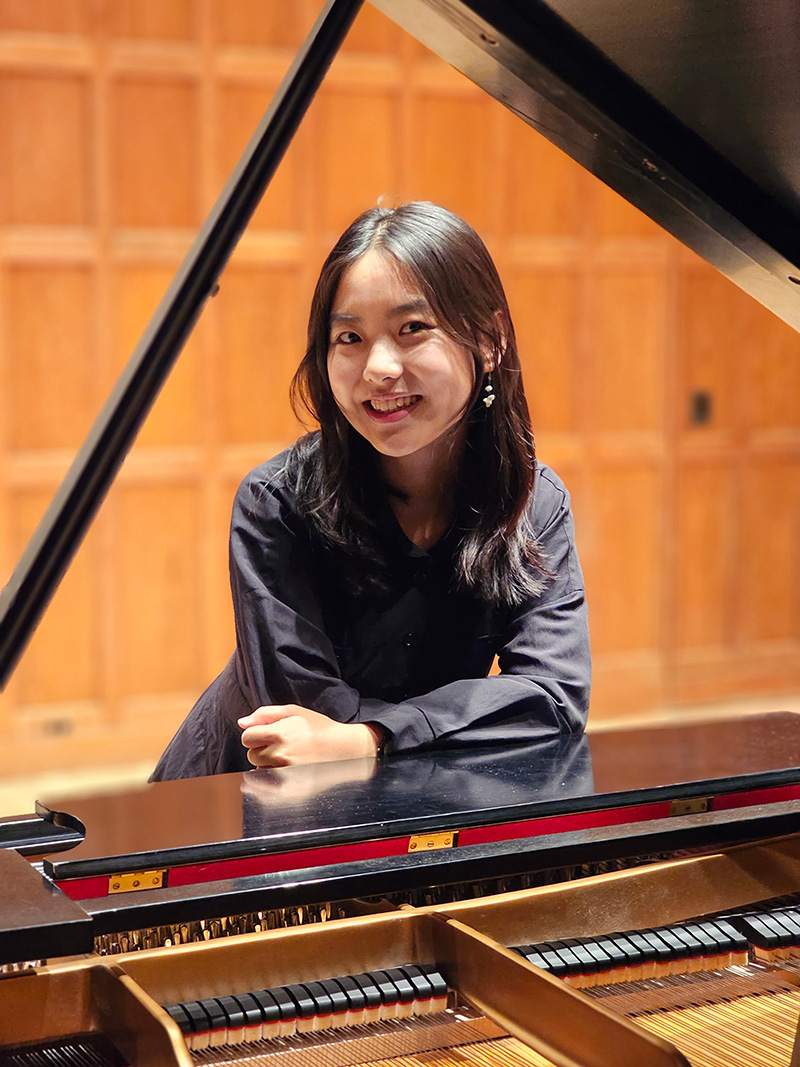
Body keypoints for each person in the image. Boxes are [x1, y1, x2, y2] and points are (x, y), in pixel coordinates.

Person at [152, 202, 590, 780]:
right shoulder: (277, 503)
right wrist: (453, 722)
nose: (379, 368)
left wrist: (372, 737)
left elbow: (553, 699)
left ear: (490, 339)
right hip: (233, 810)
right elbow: (300, 719)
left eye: (412, 329)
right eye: (350, 337)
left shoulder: (533, 503)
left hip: (410, 799)